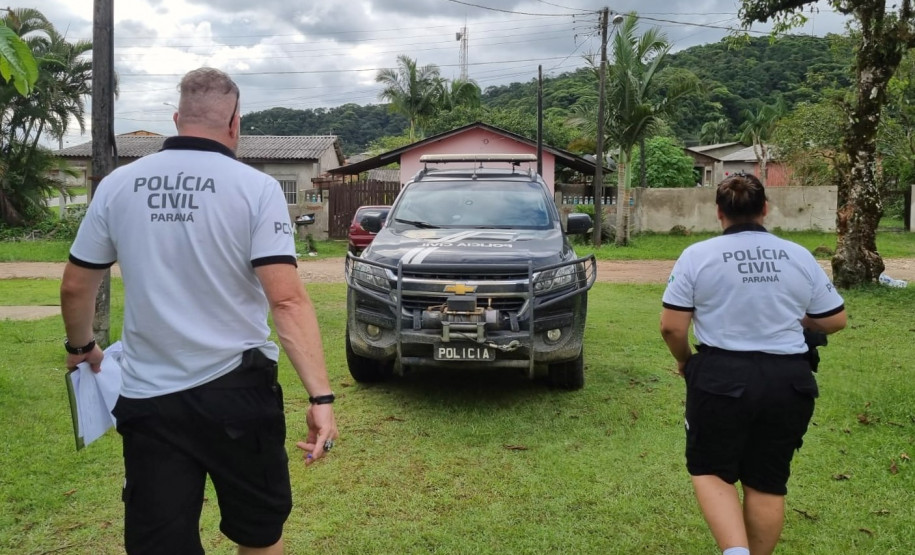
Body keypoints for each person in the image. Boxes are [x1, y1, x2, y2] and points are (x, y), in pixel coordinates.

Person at [60, 67, 338, 555]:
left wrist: (82, 346)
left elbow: (75, 287)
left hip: (149, 395)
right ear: (235, 123)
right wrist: (320, 398)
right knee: (258, 532)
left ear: (176, 118)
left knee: (160, 541)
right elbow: (287, 299)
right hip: (239, 392)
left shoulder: (119, 185)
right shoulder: (255, 188)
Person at [659, 173, 846, 555]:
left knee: (711, 470)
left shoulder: (697, 255)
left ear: (718, 213)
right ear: (765, 209)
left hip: (720, 378)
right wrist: (799, 320)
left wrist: (686, 362)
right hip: (789, 381)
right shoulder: (798, 254)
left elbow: (671, 327)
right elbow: (834, 319)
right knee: (767, 480)